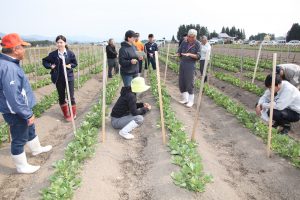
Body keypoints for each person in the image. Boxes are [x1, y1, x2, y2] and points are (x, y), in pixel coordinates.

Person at [0, 33, 52, 174]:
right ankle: (21, 166)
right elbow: (13, 97)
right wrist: (26, 114)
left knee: (30, 130)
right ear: (15, 49)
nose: (24, 50)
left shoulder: (8, 63)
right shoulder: (9, 68)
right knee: (19, 138)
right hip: (16, 112)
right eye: (22, 47)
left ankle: (36, 149)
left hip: (20, 109)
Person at [42, 35, 78, 122]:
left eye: (61, 42)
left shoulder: (70, 53)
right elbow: (44, 61)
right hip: (58, 79)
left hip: (69, 78)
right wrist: (50, 66)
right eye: (58, 42)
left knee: (71, 97)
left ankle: (73, 114)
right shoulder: (53, 54)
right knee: (61, 97)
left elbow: (75, 63)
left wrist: (70, 65)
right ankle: (66, 114)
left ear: (65, 43)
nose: (59, 44)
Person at [177, 29, 201, 107]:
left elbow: (198, 56)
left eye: (192, 37)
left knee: (190, 82)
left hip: (190, 65)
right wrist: (178, 54)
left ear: (195, 36)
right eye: (189, 37)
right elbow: (179, 51)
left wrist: (190, 54)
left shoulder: (197, 44)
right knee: (182, 81)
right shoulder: (184, 42)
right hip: (182, 63)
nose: (190, 38)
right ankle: (185, 99)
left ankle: (191, 101)